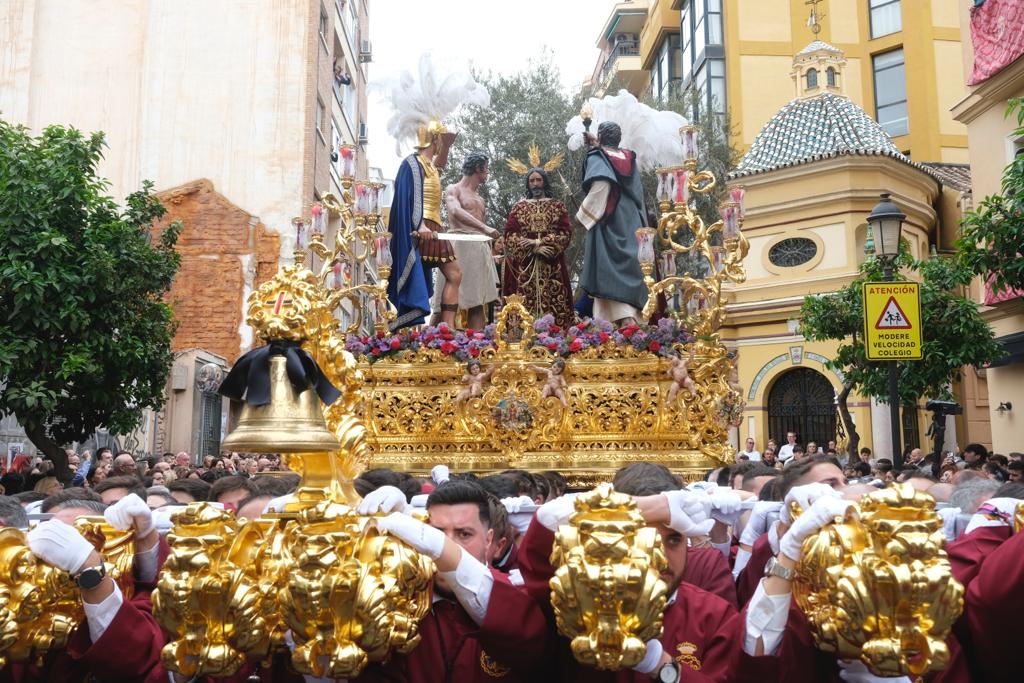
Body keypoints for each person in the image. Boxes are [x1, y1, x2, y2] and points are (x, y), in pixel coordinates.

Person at [356, 479, 548, 681]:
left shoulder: (516, 594)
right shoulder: (399, 602)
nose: (450, 546)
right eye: (437, 533)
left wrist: (441, 547)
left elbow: (530, 645)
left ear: (489, 540)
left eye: (464, 534)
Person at [387, 119, 461, 330]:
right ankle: (440, 329)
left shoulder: (429, 166)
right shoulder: (411, 163)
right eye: (440, 140)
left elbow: (440, 166)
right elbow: (407, 197)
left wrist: (446, 145)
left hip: (434, 226)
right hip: (422, 227)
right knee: (453, 273)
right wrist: (419, 225)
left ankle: (447, 329)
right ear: (434, 138)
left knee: (455, 274)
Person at [576, 121, 648, 325]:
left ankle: (622, 324)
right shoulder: (629, 157)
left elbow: (602, 184)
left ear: (600, 136)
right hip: (631, 219)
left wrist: (582, 216)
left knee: (610, 268)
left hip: (610, 219)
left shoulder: (598, 156)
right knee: (630, 264)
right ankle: (632, 322)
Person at [502, 165, 575, 328]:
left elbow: (565, 232)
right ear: (528, 184)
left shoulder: (557, 206)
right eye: (532, 180)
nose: (535, 184)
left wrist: (539, 242)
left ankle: (557, 338)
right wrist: (533, 249)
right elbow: (509, 235)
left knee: (556, 301)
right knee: (523, 304)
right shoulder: (519, 207)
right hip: (525, 267)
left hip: (552, 265)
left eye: (538, 180)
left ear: (544, 182)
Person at [444, 152, 501, 330]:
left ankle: (479, 344)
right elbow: (454, 211)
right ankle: (439, 340)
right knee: (446, 301)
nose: (488, 173)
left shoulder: (481, 199)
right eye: (487, 169)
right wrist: (485, 228)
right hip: (459, 244)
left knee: (479, 301)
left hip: (479, 248)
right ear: (478, 168)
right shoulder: (454, 189)